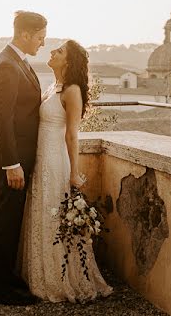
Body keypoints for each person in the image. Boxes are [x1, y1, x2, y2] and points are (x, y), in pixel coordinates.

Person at [18, 39, 113, 302]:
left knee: (53, 216)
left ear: (68, 61)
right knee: (41, 213)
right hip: (40, 158)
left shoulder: (72, 91)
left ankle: (61, 280)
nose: (52, 51)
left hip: (55, 160)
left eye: (59, 51)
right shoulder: (52, 87)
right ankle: (40, 275)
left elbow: (72, 134)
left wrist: (74, 172)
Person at [0, 10, 47, 306]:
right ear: (25, 35)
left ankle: (5, 278)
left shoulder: (17, 61)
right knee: (3, 223)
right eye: (39, 38)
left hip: (18, 158)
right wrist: (11, 164)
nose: (42, 44)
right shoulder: (7, 66)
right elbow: (2, 118)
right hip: (10, 161)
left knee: (11, 222)